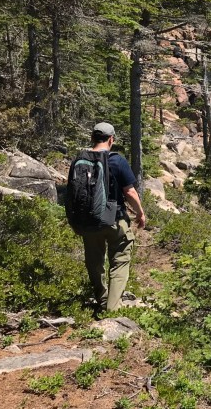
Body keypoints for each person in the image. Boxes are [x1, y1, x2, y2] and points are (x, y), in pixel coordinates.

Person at [81, 122, 146, 314]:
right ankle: (112, 308)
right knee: (120, 261)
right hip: (115, 219)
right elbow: (130, 192)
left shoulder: (81, 160)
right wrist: (140, 213)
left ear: (92, 138)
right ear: (111, 139)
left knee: (94, 261)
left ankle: (101, 299)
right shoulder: (117, 161)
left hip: (89, 221)